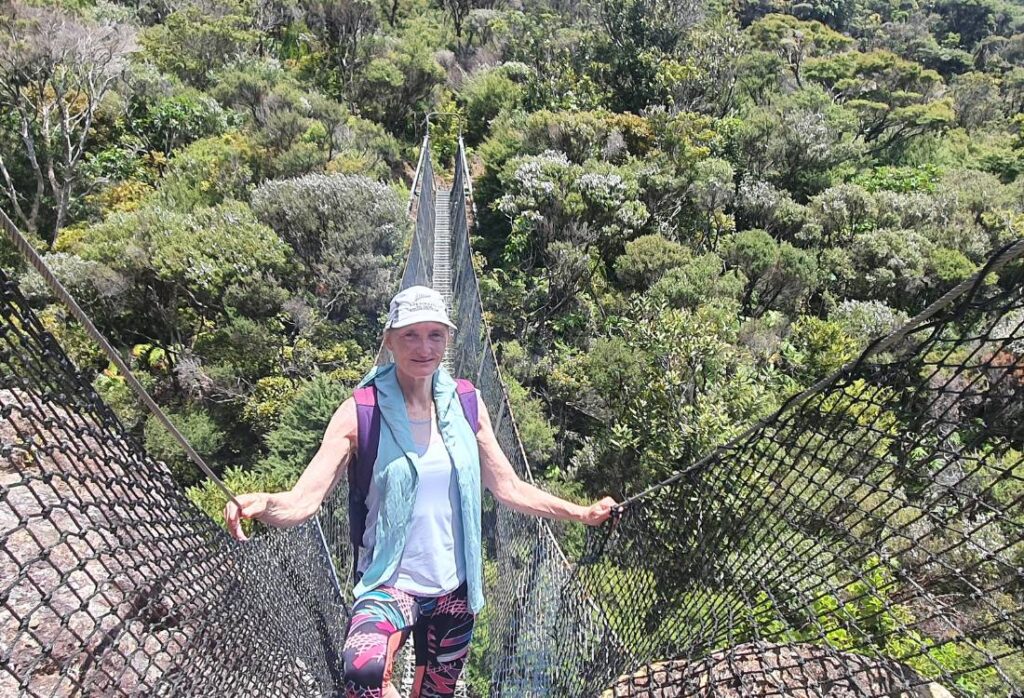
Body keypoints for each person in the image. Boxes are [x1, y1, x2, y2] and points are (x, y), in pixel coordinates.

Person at [225, 285, 617, 698]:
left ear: (447, 340)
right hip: (389, 583)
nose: (424, 347)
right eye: (410, 334)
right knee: (363, 672)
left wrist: (581, 513)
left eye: (435, 335)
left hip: (454, 590)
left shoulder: (467, 403)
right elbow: (304, 500)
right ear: (389, 340)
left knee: (437, 692)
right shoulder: (361, 412)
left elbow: (508, 487)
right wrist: (264, 503)